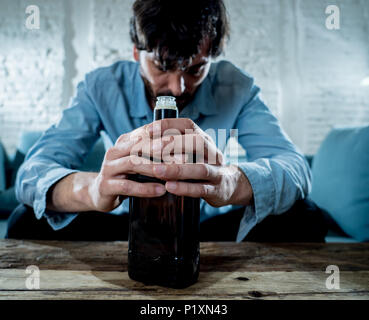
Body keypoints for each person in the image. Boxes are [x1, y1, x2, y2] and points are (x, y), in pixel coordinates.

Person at [6, 0, 327, 242]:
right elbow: (33, 173)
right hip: (127, 225)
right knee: (27, 219)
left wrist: (231, 181)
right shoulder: (101, 86)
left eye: (195, 69)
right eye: (162, 67)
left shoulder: (236, 86)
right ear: (136, 52)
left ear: (211, 57)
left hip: (205, 228)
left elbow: (296, 168)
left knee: (306, 216)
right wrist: (94, 189)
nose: (178, 87)